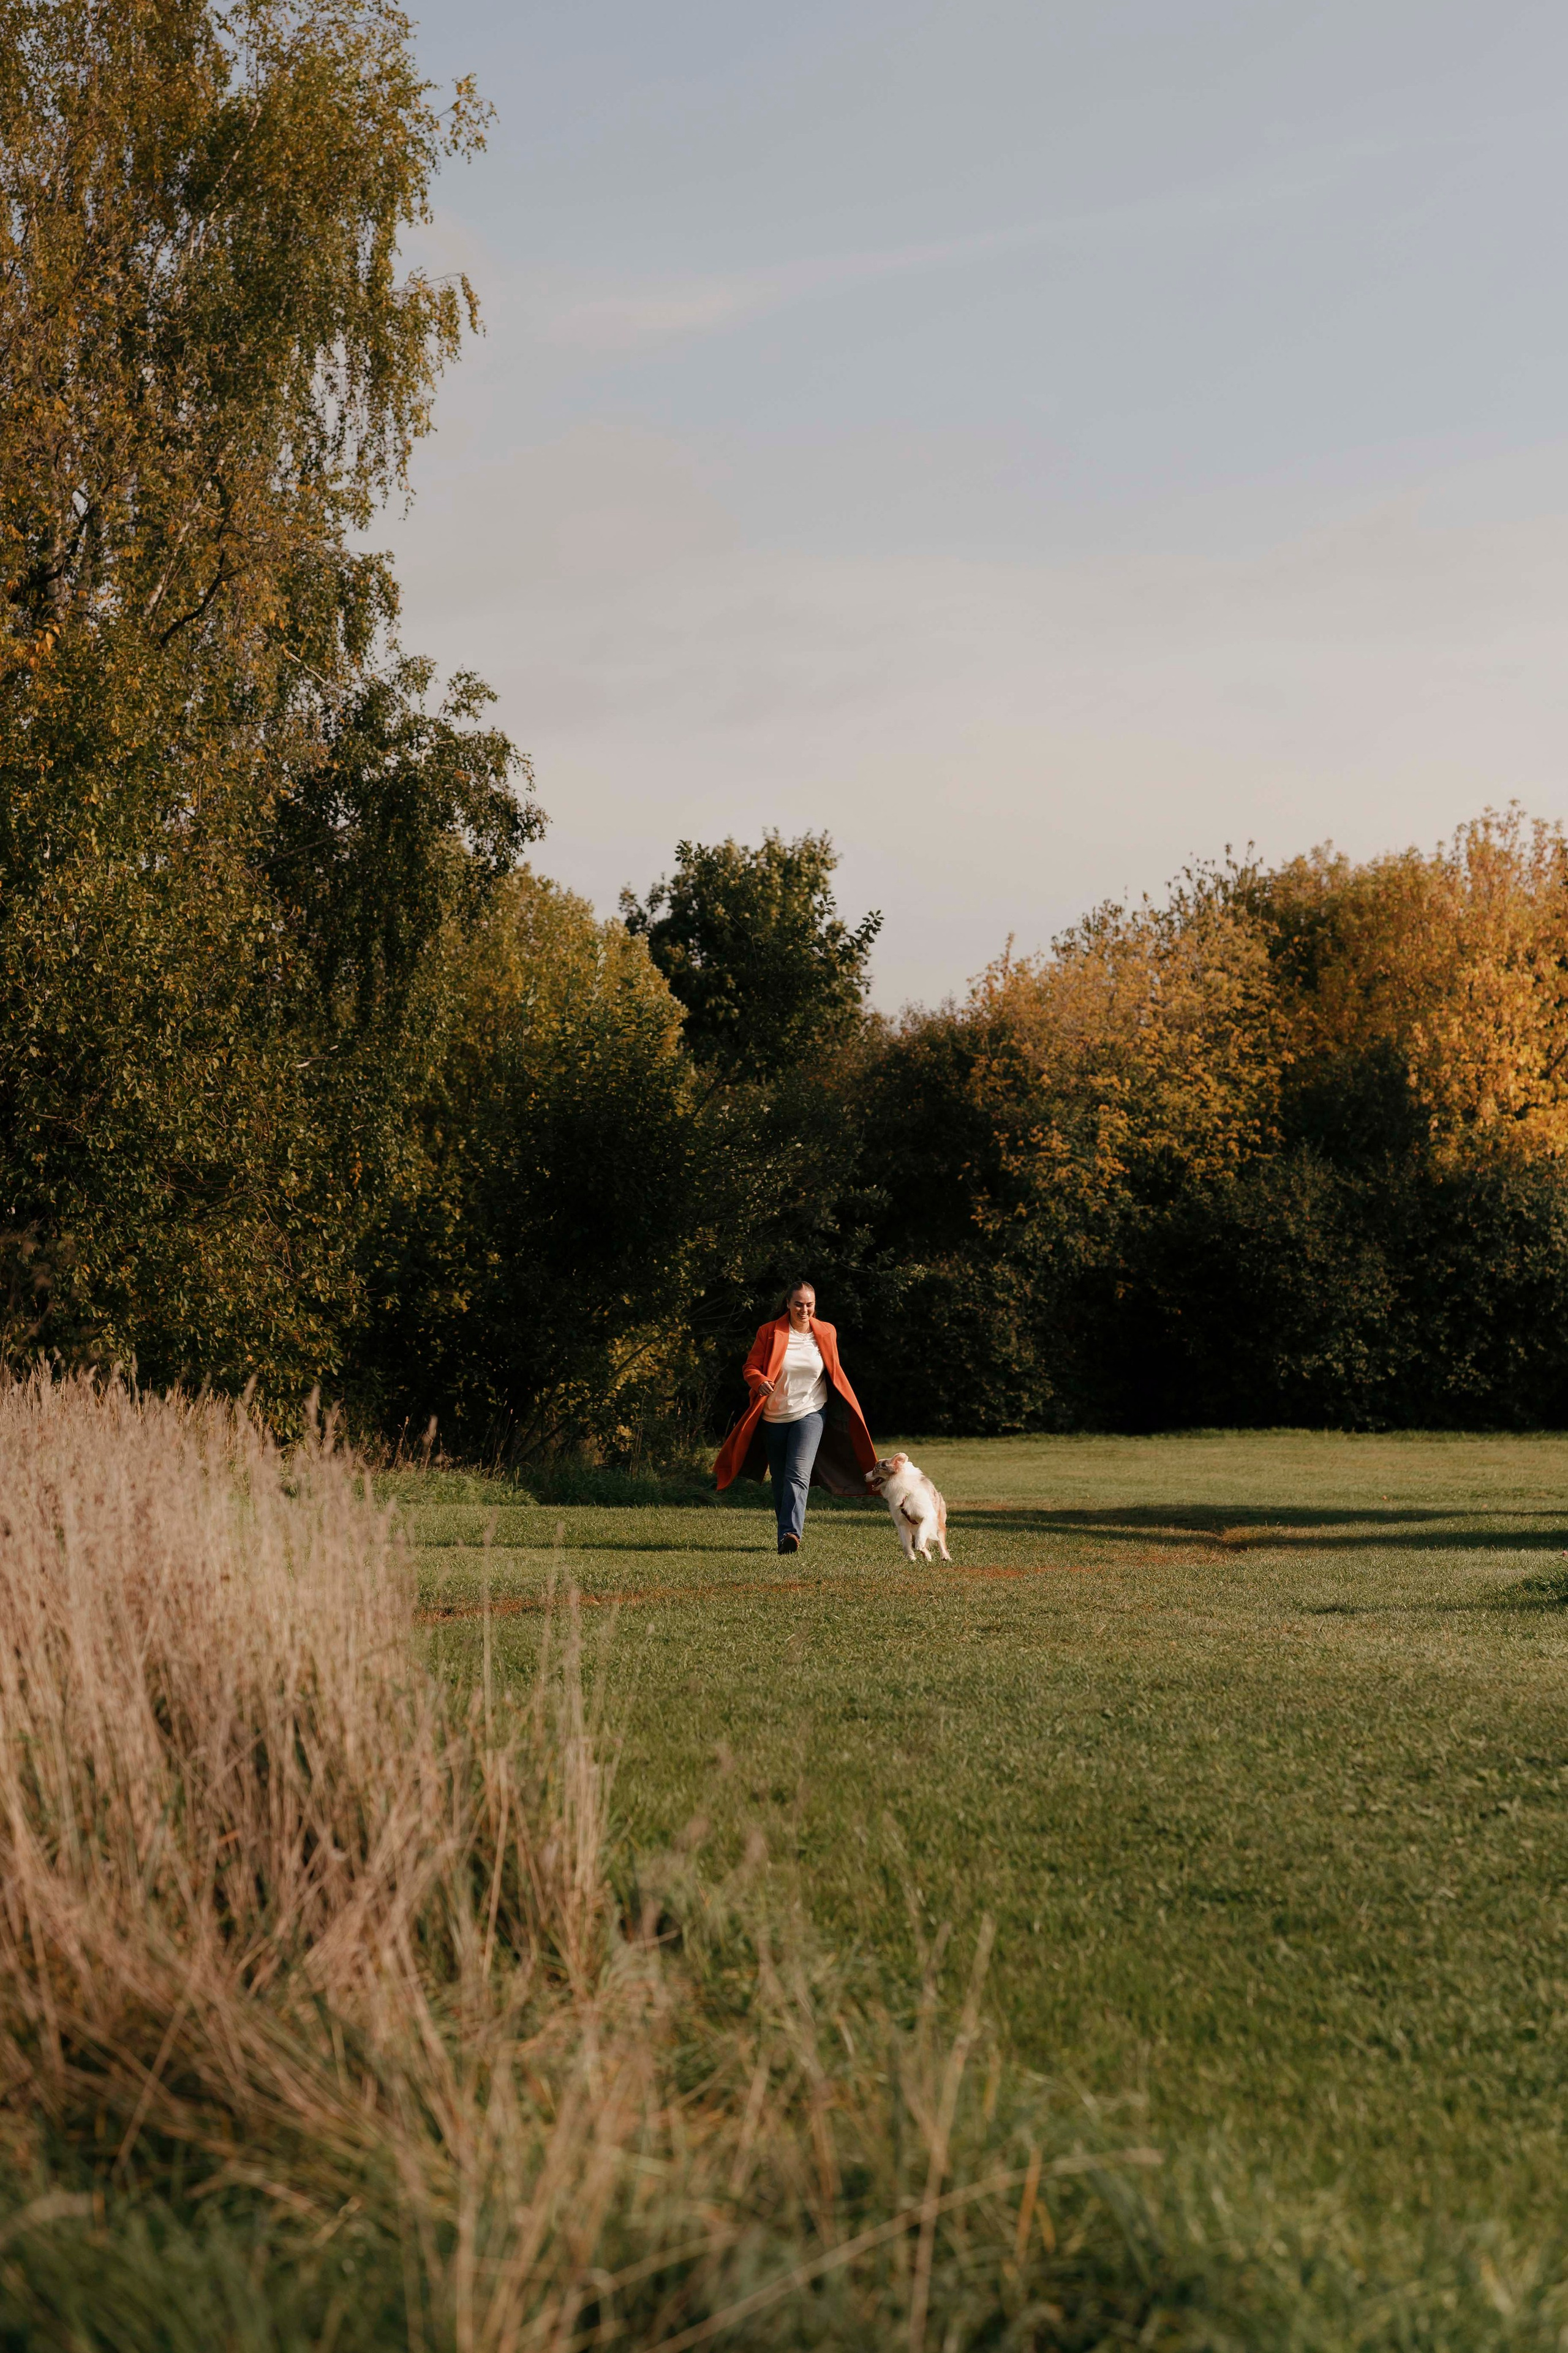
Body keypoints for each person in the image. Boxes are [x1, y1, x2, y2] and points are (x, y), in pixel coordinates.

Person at [714, 1282, 878, 1553]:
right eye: (799, 1304)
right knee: (780, 1479)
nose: (804, 1310)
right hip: (774, 1416)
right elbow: (750, 1367)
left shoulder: (827, 1331)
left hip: (811, 1412)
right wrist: (759, 1381)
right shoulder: (769, 1332)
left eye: (809, 1305)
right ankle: (784, 1536)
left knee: (798, 1474)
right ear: (788, 1304)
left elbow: (832, 1371)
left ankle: (791, 1534)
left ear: (815, 1305)